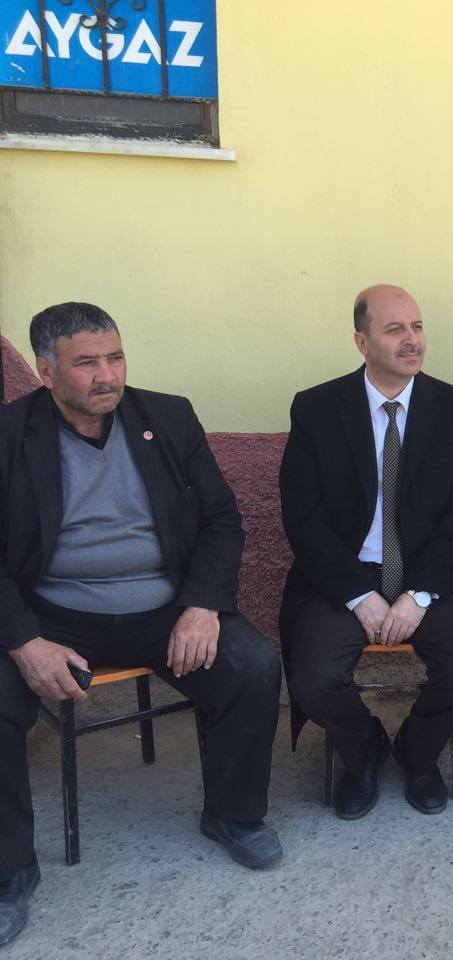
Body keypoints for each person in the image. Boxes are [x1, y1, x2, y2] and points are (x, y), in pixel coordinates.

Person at [0, 303, 283, 947]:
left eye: (116, 357)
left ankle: (234, 816)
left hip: (165, 608)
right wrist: (24, 642)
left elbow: (221, 519)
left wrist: (203, 604)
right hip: (53, 617)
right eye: (87, 363)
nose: (108, 375)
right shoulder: (10, 434)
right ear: (45, 371)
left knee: (252, 665)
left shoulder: (168, 417)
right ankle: (10, 872)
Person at [279, 285, 453, 820]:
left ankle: (417, 754)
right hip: (346, 575)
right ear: (362, 342)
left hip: (429, 575)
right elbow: (304, 518)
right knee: (313, 680)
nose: (411, 340)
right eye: (395, 330)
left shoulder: (452, 406)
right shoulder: (318, 408)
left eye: (417, 327)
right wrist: (357, 594)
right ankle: (364, 748)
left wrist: (419, 593)